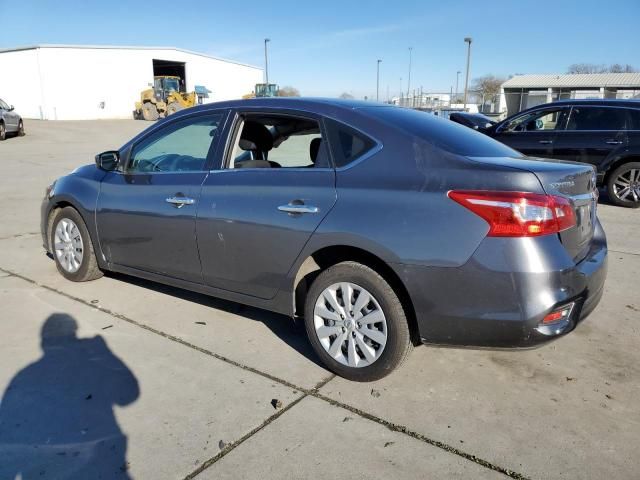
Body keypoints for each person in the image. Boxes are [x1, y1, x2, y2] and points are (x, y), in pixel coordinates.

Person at [0, 314, 139, 479]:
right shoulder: (91, 364)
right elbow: (128, 396)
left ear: (44, 342)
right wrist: (105, 353)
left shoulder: (24, 376)